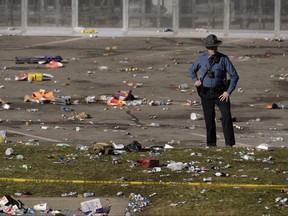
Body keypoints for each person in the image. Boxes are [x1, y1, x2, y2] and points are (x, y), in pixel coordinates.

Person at [189, 34, 239, 147]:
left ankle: (229, 144)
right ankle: (211, 144)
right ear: (207, 48)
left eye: (215, 47)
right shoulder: (201, 59)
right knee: (209, 119)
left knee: (226, 117)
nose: (214, 50)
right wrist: (195, 80)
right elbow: (192, 70)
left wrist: (228, 92)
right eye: (211, 47)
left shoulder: (223, 59)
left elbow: (234, 76)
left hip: (221, 93)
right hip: (206, 93)